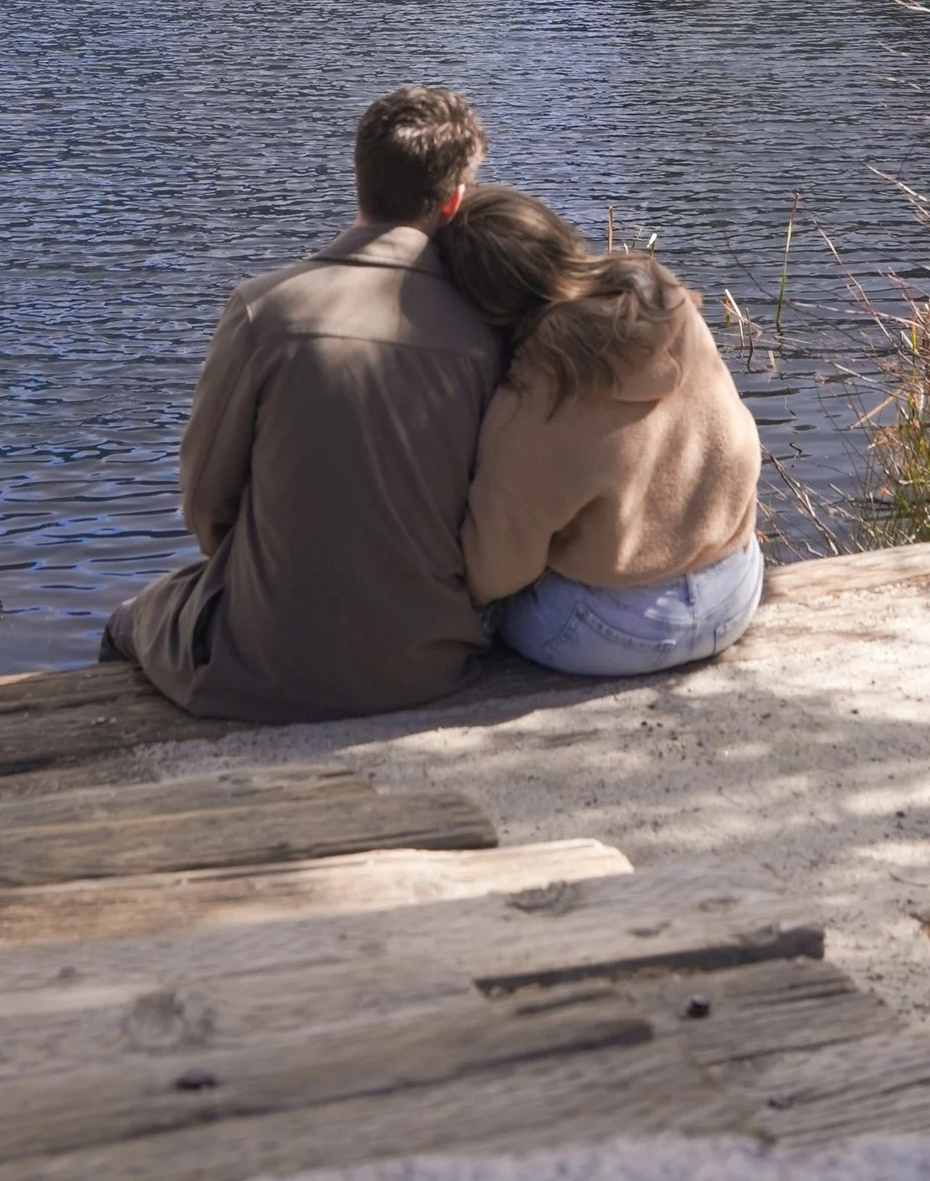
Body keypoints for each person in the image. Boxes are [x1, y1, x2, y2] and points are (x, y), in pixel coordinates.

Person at [103, 84, 502, 721]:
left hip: (263, 667)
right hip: (427, 668)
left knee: (130, 620)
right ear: (455, 200)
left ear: (358, 178)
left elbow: (207, 505)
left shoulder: (265, 310)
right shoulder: (487, 329)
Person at [440, 185, 766, 677]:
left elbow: (493, 573)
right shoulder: (664, 300)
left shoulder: (530, 401)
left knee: (486, 608)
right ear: (559, 238)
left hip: (616, 633)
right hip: (736, 588)